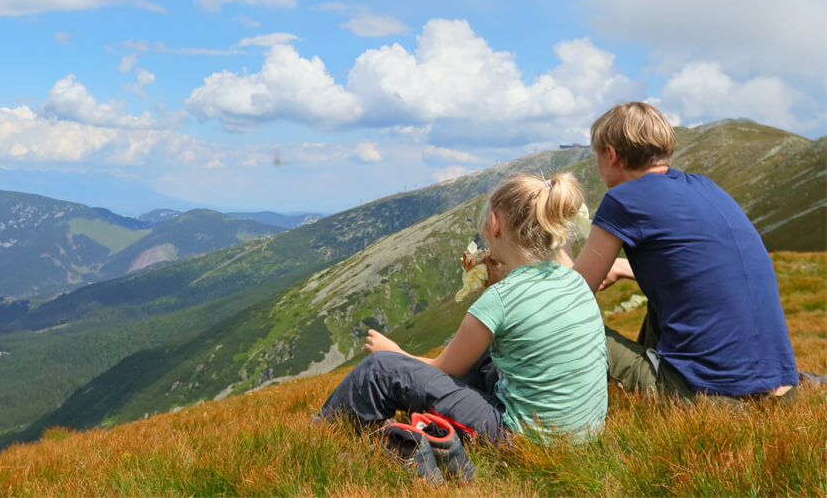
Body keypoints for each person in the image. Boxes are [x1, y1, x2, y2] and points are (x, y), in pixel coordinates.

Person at [319, 172, 608, 459]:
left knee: (380, 369)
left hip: (521, 441)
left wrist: (395, 353)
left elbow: (444, 368)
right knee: (483, 358)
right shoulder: (574, 280)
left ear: (495, 223)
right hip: (584, 435)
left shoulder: (501, 298)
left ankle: (319, 439)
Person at [566, 102, 798, 400]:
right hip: (782, 392)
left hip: (708, 396)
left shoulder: (623, 199)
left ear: (611, 155)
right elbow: (695, 265)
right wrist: (624, 267)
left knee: (562, 327)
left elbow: (570, 296)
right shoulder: (707, 187)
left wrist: (557, 245)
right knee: (660, 301)